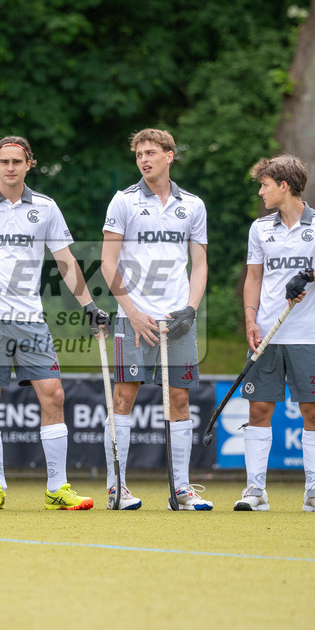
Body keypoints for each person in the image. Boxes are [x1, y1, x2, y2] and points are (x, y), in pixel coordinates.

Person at [0, 136, 104, 511]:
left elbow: (65, 260)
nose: (11, 167)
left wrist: (89, 305)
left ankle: (57, 488)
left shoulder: (46, 208)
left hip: (31, 319)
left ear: (30, 164)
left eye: (18, 161)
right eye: (4, 161)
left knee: (55, 395)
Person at [236, 154, 315, 512]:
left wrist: (309, 275)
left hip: (306, 336)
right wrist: (250, 320)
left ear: (284, 186)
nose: (261, 192)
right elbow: (254, 277)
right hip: (267, 334)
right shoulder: (260, 228)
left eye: (265, 185)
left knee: (313, 413)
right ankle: (255, 491)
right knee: (258, 410)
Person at [100, 128, 210, 511]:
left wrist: (191, 309)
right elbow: (107, 263)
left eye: (151, 152)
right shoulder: (123, 201)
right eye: (138, 154)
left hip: (178, 318)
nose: (144, 159)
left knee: (179, 399)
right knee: (124, 395)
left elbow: (199, 264)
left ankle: (181, 489)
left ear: (169, 155)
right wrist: (132, 312)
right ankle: (118, 488)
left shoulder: (193, 205)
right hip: (132, 318)